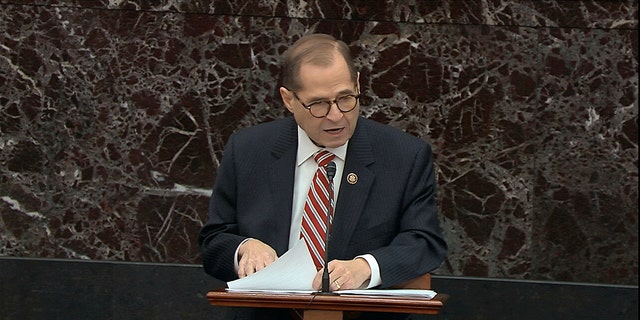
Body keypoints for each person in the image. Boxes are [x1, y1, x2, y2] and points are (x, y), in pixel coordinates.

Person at [199, 33, 447, 320]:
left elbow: (425, 242)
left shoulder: (403, 156)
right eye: (318, 104)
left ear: (358, 85)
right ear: (289, 99)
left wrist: (364, 267)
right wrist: (243, 248)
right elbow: (213, 242)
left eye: (345, 98)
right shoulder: (248, 150)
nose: (336, 116)